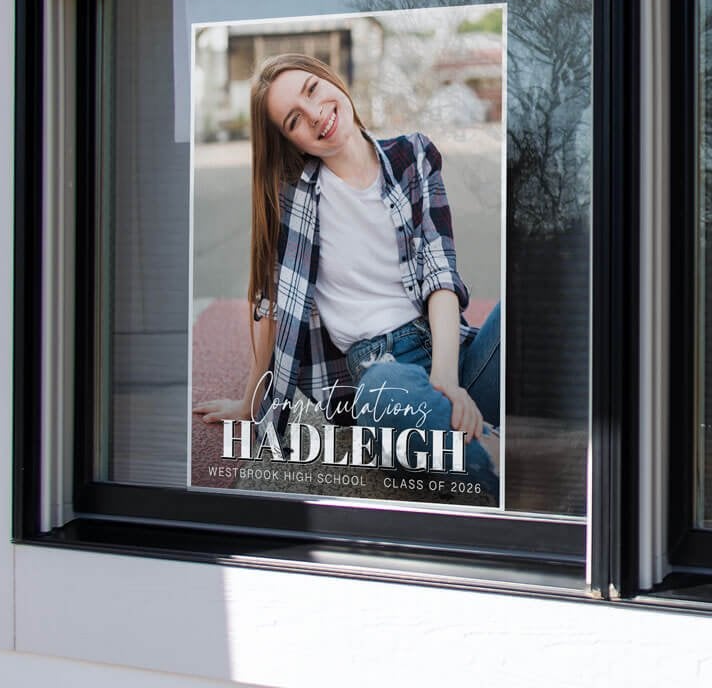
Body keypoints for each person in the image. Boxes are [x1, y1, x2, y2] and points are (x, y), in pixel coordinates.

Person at [194, 53, 500, 500]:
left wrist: (446, 381)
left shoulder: (413, 155)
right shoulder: (293, 203)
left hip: (451, 353)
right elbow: (270, 302)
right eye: (295, 120)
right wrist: (250, 402)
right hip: (380, 372)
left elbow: (440, 273)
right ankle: (493, 462)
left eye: (312, 90)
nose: (316, 114)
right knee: (380, 397)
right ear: (292, 142)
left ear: (329, 79)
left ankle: (458, 427)